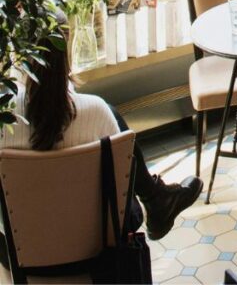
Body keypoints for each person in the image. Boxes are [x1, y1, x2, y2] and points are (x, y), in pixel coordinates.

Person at [0, 27, 202, 243]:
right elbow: (121, 184)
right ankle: (155, 199)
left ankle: (157, 199)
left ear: (18, 55)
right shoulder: (97, 112)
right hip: (96, 245)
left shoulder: (4, 118)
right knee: (120, 171)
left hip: (25, 245)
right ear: (67, 55)